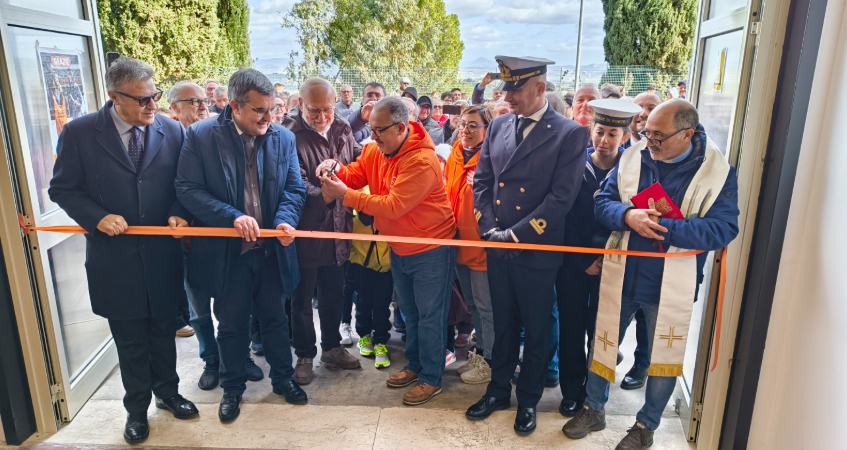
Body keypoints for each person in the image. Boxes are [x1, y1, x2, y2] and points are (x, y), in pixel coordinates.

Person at [563, 100, 739, 449]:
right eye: (646, 133)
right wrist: (628, 217)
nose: (649, 142)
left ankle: (646, 426)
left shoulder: (717, 173)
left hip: (670, 281)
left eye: (658, 136)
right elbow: (603, 201)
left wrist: (664, 228)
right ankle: (593, 407)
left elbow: (722, 229)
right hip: (622, 272)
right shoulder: (634, 157)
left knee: (663, 359)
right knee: (603, 341)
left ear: (687, 134)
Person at [49, 56, 198, 444]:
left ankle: (169, 394)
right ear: (114, 97)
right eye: (143, 100)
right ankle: (136, 411)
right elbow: (62, 189)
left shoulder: (172, 130)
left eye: (156, 96)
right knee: (130, 339)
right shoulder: (81, 133)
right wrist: (96, 216)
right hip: (114, 261)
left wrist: (179, 214)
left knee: (164, 331)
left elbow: (184, 187)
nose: (153, 106)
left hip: (163, 259)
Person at [175, 68, 308, 423]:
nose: (269, 118)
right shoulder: (201, 137)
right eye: (259, 111)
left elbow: (294, 188)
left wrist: (285, 219)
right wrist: (231, 216)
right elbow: (187, 189)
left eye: (273, 109)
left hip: (271, 252)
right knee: (232, 324)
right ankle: (232, 388)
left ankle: (283, 379)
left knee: (276, 320)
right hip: (227, 254)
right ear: (234, 106)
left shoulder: (283, 138)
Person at [465, 55, 587, 435]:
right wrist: (488, 227)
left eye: (514, 88)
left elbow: (561, 198)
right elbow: (483, 182)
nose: (507, 95)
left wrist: (514, 233)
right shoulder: (499, 124)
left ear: (539, 88)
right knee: (503, 326)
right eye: (504, 88)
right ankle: (499, 390)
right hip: (498, 246)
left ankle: (529, 400)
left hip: (535, 249)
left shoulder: (568, 133)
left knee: (535, 331)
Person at [315, 96, 457, 407]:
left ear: (402, 128)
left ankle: (431, 379)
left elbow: (392, 206)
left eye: (379, 131)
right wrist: (336, 170)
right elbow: (356, 174)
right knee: (413, 315)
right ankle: (416, 366)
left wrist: (346, 195)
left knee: (430, 317)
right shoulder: (376, 149)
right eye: (371, 128)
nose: (372, 136)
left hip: (431, 249)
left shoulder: (423, 161)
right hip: (399, 247)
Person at [556, 99, 641, 418]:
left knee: (603, 333)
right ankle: (571, 390)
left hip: (614, 264)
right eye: (599, 132)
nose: (603, 141)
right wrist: (583, 261)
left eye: (612, 135)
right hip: (573, 264)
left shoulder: (634, 172)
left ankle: (594, 393)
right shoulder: (572, 165)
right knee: (572, 329)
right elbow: (561, 217)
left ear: (625, 137)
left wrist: (605, 257)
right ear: (590, 130)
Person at [282, 78, 362, 385]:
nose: (321, 117)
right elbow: (294, 184)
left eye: (327, 109)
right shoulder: (287, 135)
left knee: (334, 294)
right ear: (300, 104)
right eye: (314, 110)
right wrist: (327, 195)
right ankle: (305, 353)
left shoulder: (343, 127)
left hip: (339, 228)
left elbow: (354, 163)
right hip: (305, 230)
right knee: (301, 299)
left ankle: (331, 347)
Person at [445, 105, 495, 385]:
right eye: (463, 124)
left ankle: (491, 363)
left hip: (483, 249)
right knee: (474, 307)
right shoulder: (455, 154)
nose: (465, 130)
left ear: (488, 130)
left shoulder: (494, 160)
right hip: (458, 243)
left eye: (474, 125)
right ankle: (480, 357)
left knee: (486, 308)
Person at [348, 204, 394, 368]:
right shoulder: (355, 208)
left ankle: (381, 342)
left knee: (382, 304)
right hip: (362, 265)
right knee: (363, 302)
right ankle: (364, 335)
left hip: (386, 266)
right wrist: (354, 259)